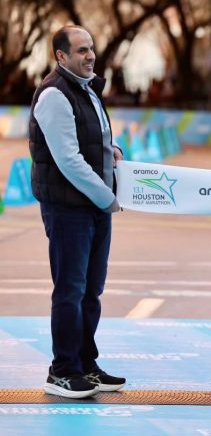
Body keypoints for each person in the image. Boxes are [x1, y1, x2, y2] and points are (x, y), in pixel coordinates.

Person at [29, 26, 126, 399]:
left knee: (91, 290)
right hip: (70, 208)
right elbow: (66, 158)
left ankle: (86, 363)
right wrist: (106, 196)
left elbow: (88, 138)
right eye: (81, 50)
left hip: (93, 206)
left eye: (92, 50)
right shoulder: (54, 94)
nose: (90, 56)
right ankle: (63, 370)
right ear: (61, 56)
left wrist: (110, 149)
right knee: (70, 290)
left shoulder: (85, 88)